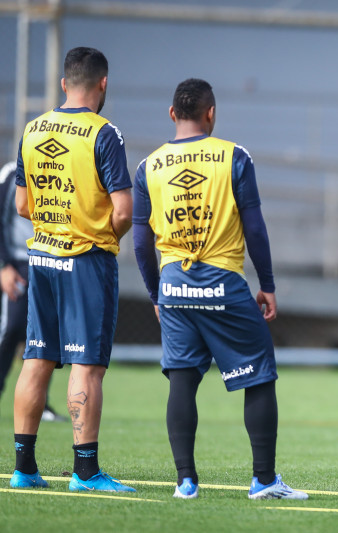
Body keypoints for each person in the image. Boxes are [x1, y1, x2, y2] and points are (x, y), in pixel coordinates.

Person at [132, 78, 307, 500]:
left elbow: (139, 241)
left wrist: (156, 294)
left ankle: (185, 481)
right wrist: (266, 285)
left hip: (174, 286)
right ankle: (264, 481)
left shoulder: (148, 166)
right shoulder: (233, 156)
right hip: (222, 284)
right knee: (259, 376)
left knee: (182, 379)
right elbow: (256, 229)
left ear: (172, 114)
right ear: (211, 113)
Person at [10, 47, 135, 492]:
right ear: (102, 84)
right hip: (86, 261)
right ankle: (84, 472)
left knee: (37, 358)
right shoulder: (104, 134)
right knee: (87, 365)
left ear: (64, 83)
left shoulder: (33, 129)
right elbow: (123, 211)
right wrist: (99, 236)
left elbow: (23, 204)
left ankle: (23, 469)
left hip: (41, 255)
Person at [0, 162, 67, 423]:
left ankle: (42, 404)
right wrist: (3, 265)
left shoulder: (64, 167)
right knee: (12, 328)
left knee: (47, 334)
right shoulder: (10, 173)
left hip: (52, 261)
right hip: (18, 263)